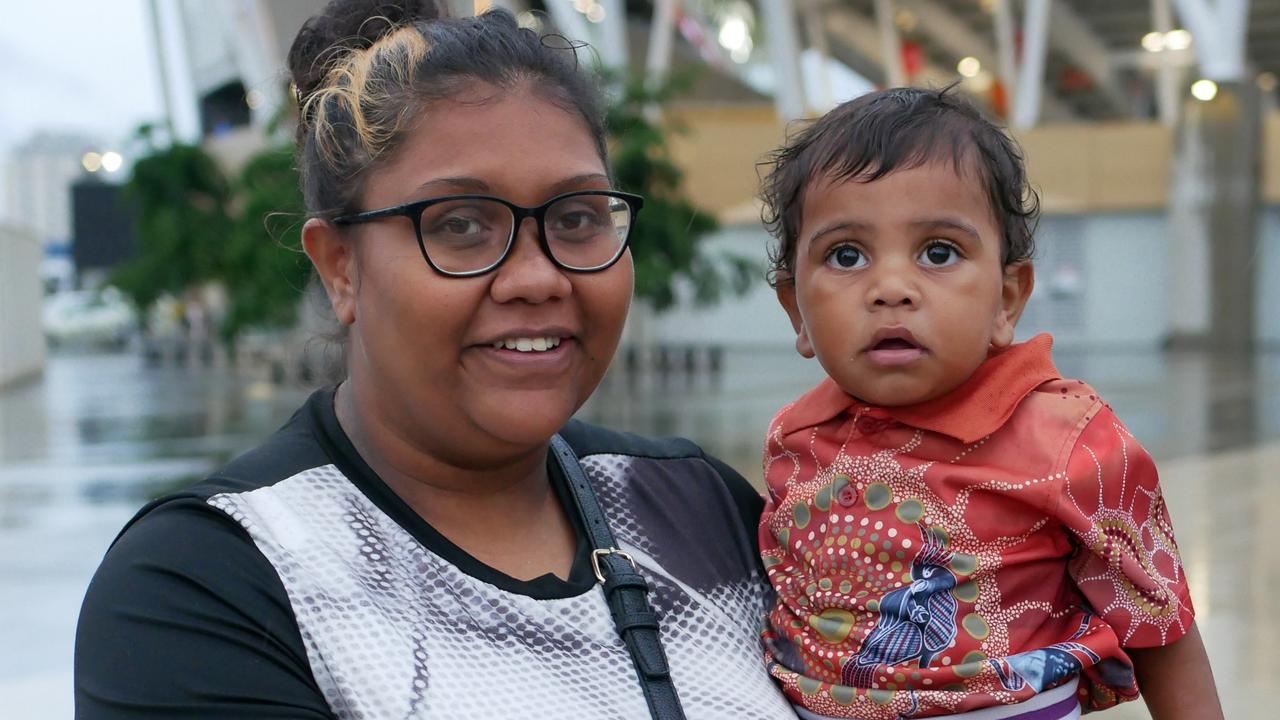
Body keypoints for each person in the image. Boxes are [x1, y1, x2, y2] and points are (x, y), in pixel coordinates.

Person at [73, 3, 795, 718]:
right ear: (340, 269)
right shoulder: (210, 587)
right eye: (460, 226)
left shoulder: (701, 509)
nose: (538, 276)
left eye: (576, 219)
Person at [754, 87, 1222, 719]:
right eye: (846, 255)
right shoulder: (795, 440)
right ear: (797, 312)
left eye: (938, 252)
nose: (891, 289)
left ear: (1007, 299)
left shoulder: (1069, 442)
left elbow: (1159, 620)